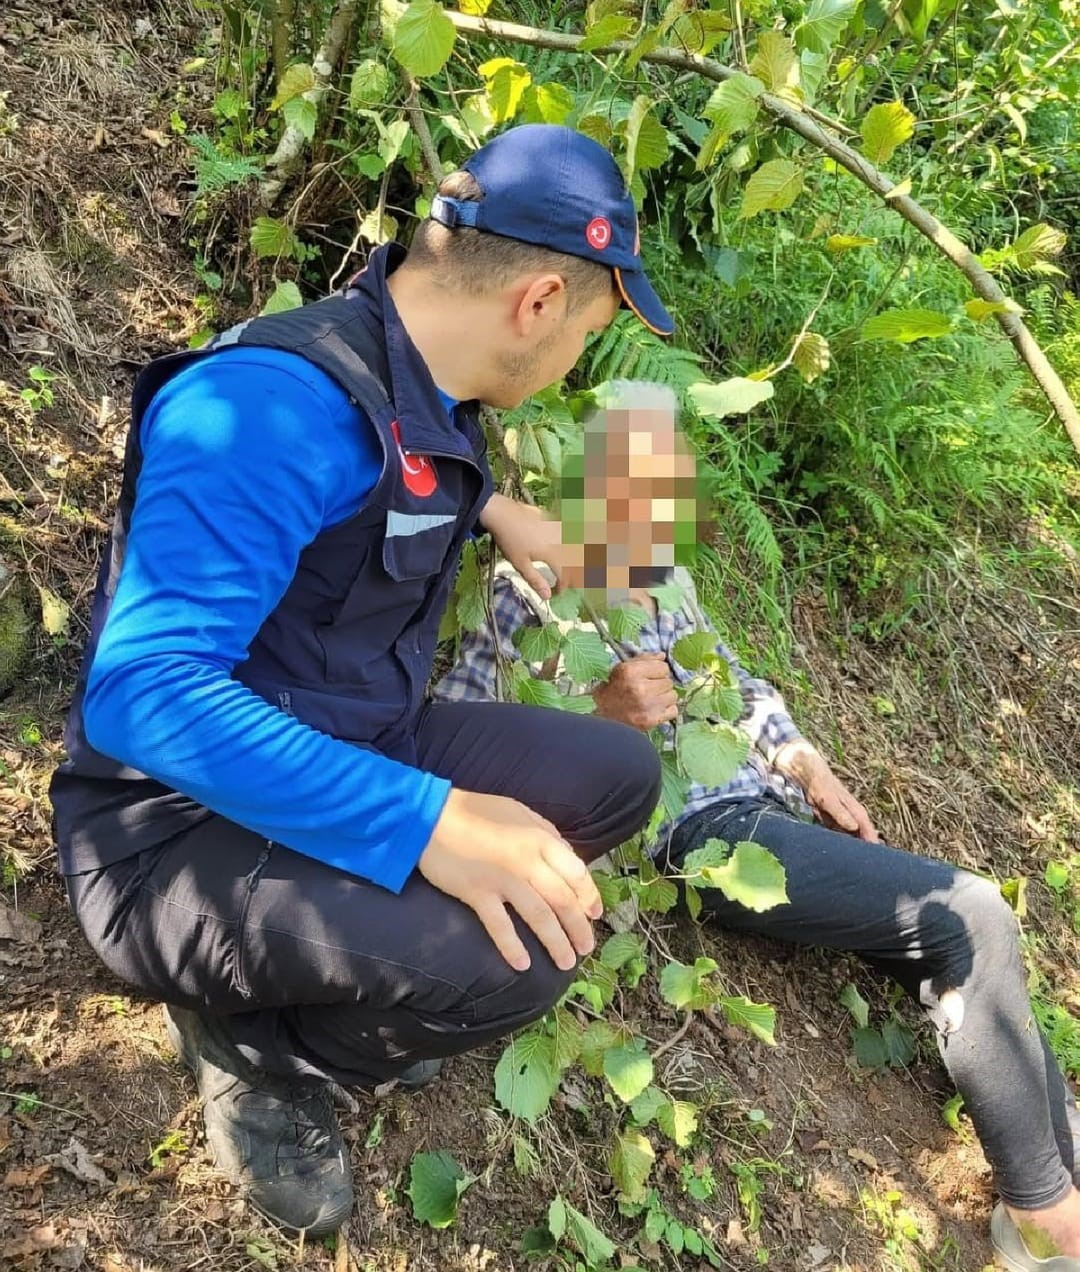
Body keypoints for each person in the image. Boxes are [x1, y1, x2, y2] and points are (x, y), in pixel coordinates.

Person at [48, 126, 674, 1236]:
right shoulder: (267, 407)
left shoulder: (416, 375)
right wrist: (427, 819)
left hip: (351, 734)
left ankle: (340, 960)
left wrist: (494, 510)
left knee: (618, 774)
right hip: (169, 836)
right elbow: (142, 693)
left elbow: (385, 466)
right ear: (536, 302)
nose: (581, 359)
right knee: (512, 964)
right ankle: (256, 1048)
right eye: (592, 330)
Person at [434, 380, 1080, 1272]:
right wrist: (599, 713)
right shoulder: (524, 591)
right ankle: (1043, 1219)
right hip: (699, 840)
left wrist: (802, 758)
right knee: (972, 914)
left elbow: (741, 687)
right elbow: (463, 740)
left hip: (766, 811)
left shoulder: (668, 578)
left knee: (965, 935)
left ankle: (1061, 1151)